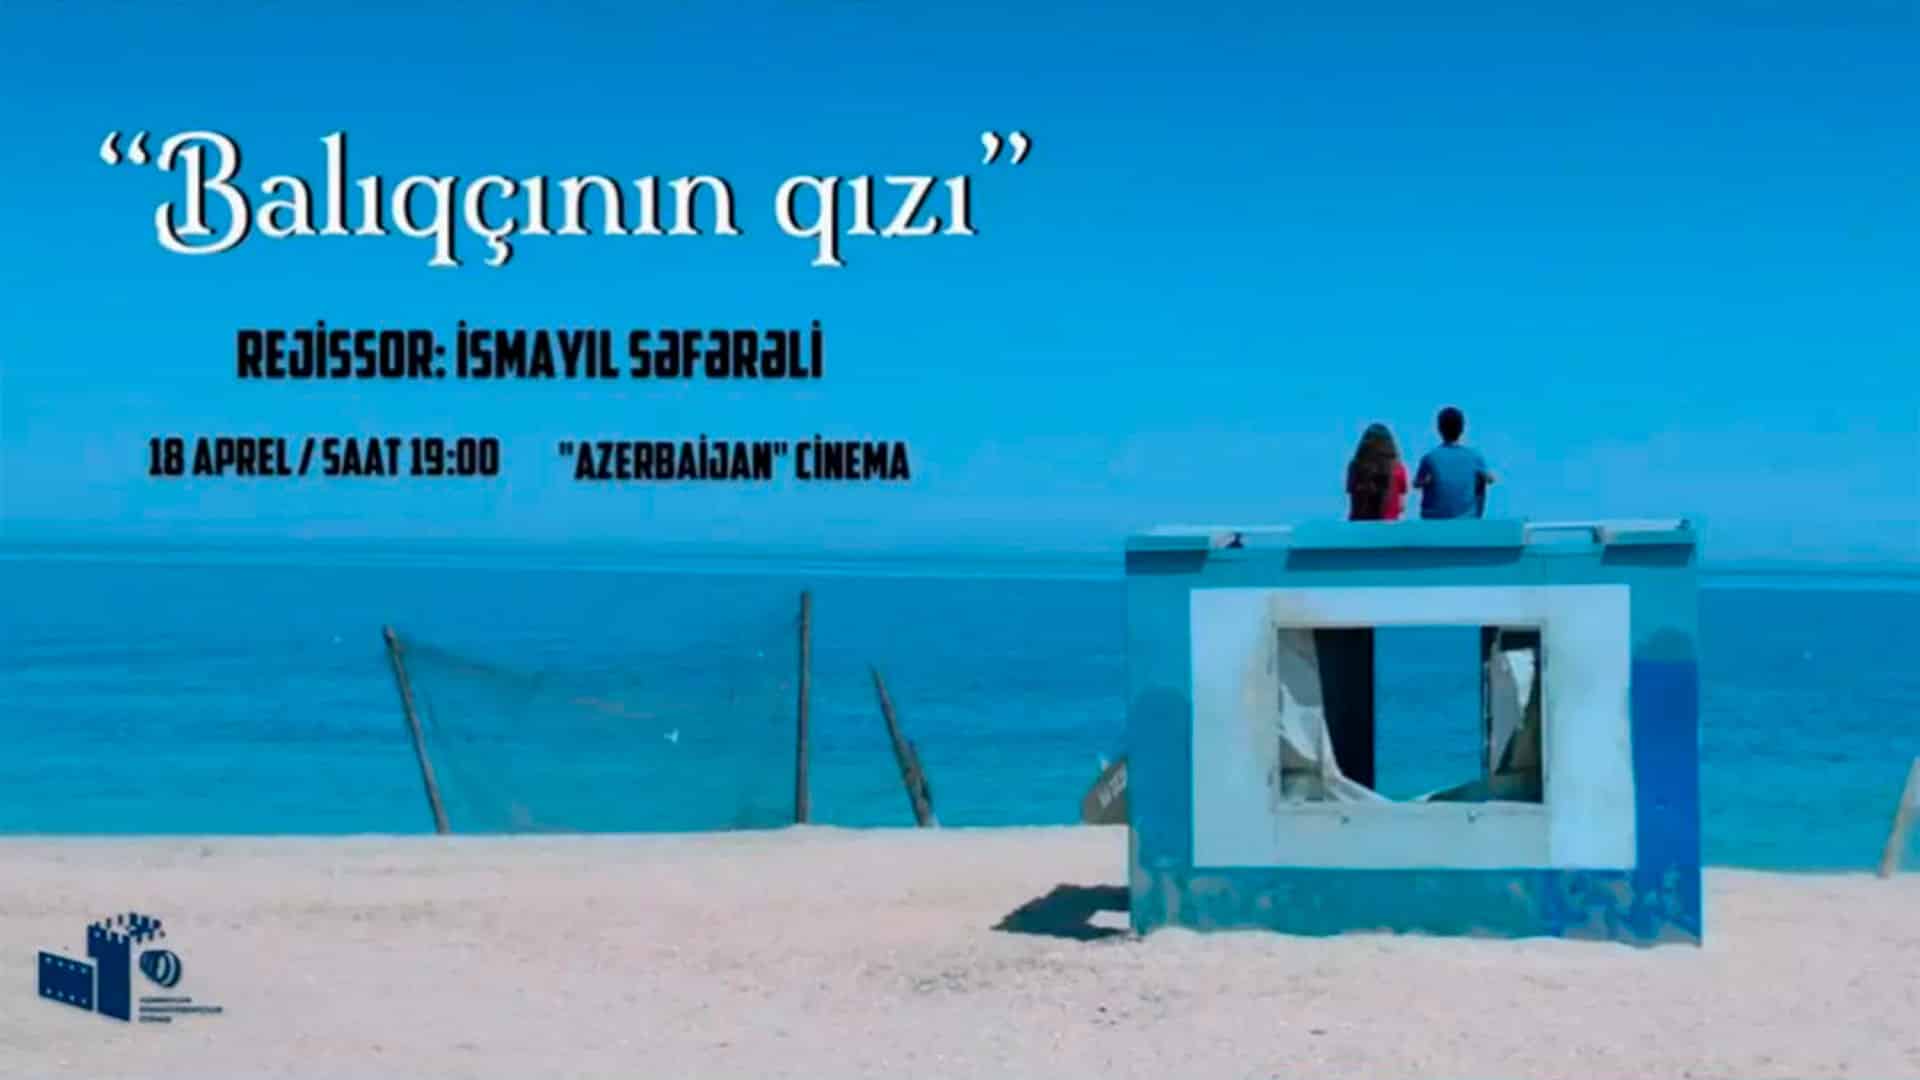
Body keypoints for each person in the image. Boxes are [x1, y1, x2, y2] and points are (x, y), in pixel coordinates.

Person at [1414, 406, 1496, 519]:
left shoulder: (1430, 458)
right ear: (1462, 429)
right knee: (1479, 479)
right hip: (1466, 518)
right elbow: (1490, 479)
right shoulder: (1474, 457)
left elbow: (1417, 484)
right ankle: (1473, 516)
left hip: (1435, 518)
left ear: (1439, 429)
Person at [1345, 423, 1408, 521]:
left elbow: (1351, 493)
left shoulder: (1355, 466)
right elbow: (1401, 506)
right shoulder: (1398, 468)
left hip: (1360, 523)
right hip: (1389, 524)